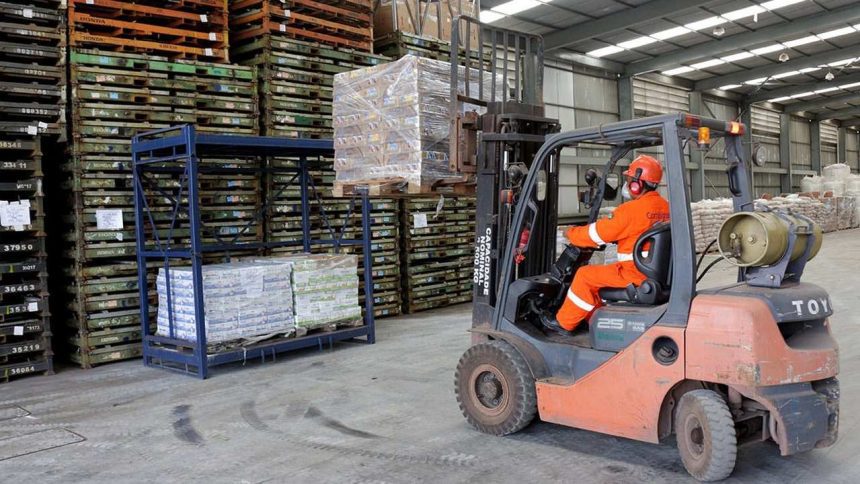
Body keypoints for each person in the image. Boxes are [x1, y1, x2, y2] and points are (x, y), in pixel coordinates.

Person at [543, 154, 670, 334]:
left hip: (634, 274)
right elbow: (638, 233)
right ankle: (594, 321)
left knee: (585, 275)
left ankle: (564, 323)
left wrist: (570, 233)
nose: (627, 184)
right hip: (656, 274)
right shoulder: (666, 208)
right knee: (596, 279)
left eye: (629, 180)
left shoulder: (631, 210)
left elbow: (597, 234)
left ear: (637, 183)